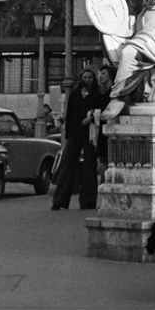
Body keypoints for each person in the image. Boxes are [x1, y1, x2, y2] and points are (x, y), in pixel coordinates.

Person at [51, 68, 100, 210]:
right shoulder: (74, 95)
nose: (88, 80)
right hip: (75, 133)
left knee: (89, 168)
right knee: (67, 166)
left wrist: (91, 117)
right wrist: (67, 135)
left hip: (89, 134)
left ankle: (88, 201)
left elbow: (99, 111)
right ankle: (60, 201)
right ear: (81, 78)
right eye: (85, 77)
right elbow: (70, 114)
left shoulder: (96, 95)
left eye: (90, 77)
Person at [77, 65, 114, 211]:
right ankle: (106, 200)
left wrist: (93, 115)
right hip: (103, 133)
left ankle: (107, 200)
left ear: (110, 76)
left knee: (104, 167)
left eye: (103, 74)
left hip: (108, 132)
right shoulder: (103, 93)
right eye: (100, 74)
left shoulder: (111, 93)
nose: (100, 76)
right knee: (103, 166)